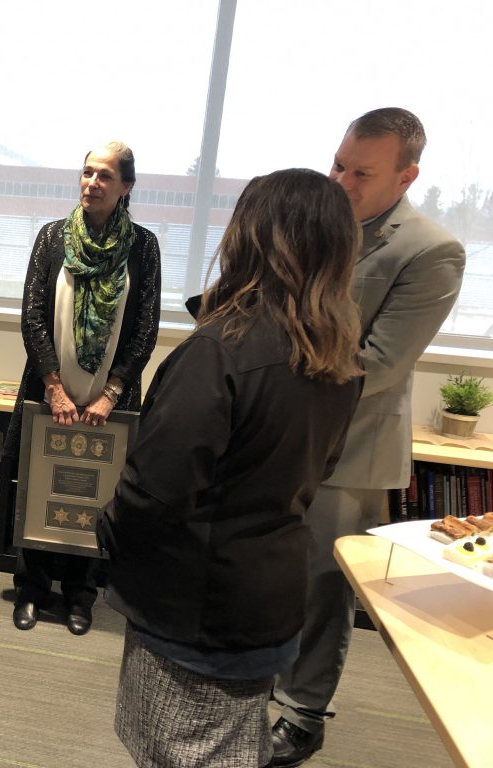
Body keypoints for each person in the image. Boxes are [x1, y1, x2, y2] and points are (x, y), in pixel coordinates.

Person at [98, 168, 364, 768]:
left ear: (252, 236)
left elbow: (155, 494)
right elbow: (316, 472)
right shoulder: (339, 358)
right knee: (231, 745)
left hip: (197, 605)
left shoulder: (220, 351)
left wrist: (106, 538)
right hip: (268, 596)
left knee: (185, 753)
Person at [270, 109, 466, 766]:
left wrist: (272, 378)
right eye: (338, 164)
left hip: (351, 453)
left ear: (407, 175)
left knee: (325, 588)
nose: (342, 181)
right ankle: (263, 683)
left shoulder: (431, 251)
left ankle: (302, 713)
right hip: (280, 434)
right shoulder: (318, 226)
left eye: (362, 173)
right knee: (272, 572)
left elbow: (379, 365)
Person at [2, 141, 161, 636]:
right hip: (49, 395)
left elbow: (146, 327)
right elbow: (32, 317)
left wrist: (111, 392)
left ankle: (80, 595)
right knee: (39, 486)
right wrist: (54, 385)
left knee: (95, 494)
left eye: (105, 176)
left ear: (126, 187)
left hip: (107, 405)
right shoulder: (52, 238)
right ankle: (32, 588)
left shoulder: (144, 247)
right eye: (87, 173)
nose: (92, 183)